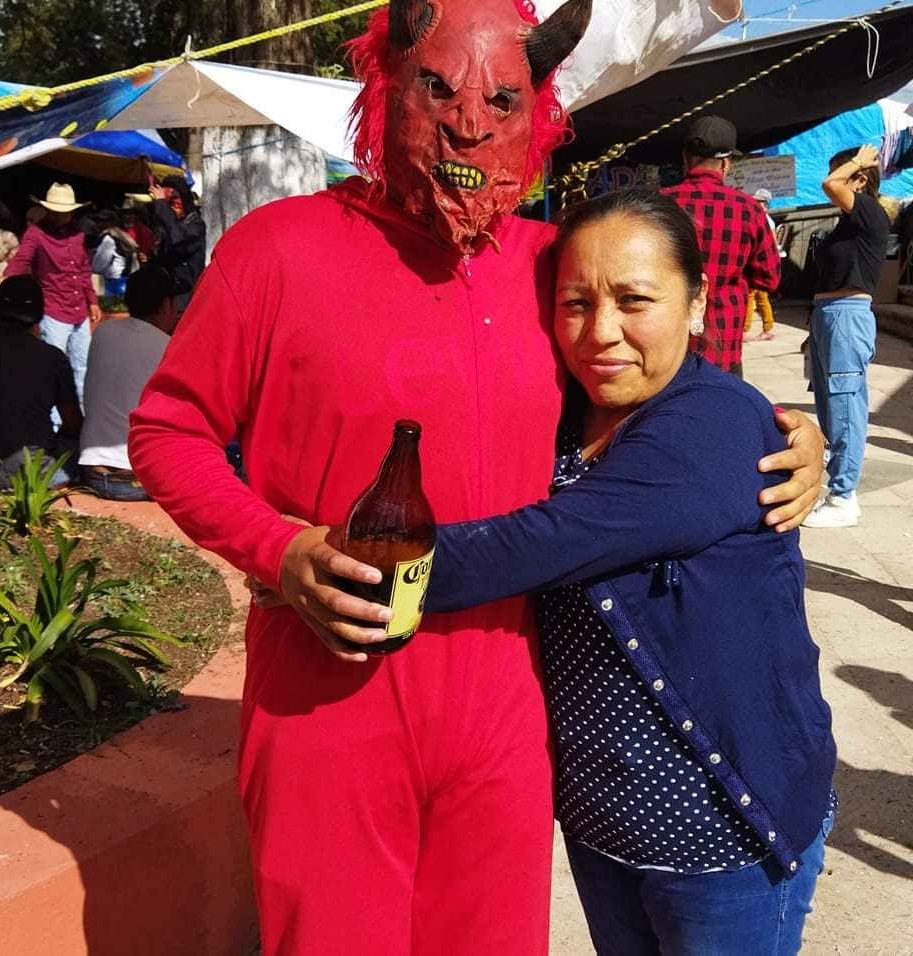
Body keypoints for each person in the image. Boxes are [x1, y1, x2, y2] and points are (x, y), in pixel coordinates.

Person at [128, 2, 823, 952]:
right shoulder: (274, 248)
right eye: (440, 89)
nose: (468, 124)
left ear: (539, 112)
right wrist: (277, 548)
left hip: (507, 707)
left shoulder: (547, 267)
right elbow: (170, 428)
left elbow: (652, 374)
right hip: (328, 692)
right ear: (389, 87)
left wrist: (779, 431)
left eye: (502, 99)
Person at [408, 190, 836, 954]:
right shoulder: (559, 413)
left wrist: (342, 564)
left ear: (697, 304)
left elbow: (532, 544)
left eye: (635, 300)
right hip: (603, 825)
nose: (601, 331)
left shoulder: (718, 423)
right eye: (576, 304)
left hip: (724, 839)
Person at [802, 144, 890, 529]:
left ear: (860, 179)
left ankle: (843, 496)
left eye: (841, 172)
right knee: (829, 406)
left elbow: (830, 184)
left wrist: (856, 163)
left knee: (845, 407)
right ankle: (837, 488)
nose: (831, 179)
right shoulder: (847, 224)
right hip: (828, 317)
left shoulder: (870, 211)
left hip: (847, 317)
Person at [663, 115, 781, 376]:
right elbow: (769, 278)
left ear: (685, 158)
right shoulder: (749, 209)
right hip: (723, 350)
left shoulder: (659, 204)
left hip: (668, 348)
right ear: (726, 163)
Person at [0, 275, 80, 487]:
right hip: (36, 476)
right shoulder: (51, 357)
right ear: (38, 315)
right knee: (79, 443)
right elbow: (73, 424)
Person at [79, 265, 182, 500]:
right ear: (166, 306)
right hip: (142, 479)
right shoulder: (169, 348)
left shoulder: (103, 332)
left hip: (94, 475)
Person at [4, 183, 100, 407]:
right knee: (53, 366)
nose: (61, 215)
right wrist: (7, 278)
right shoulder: (36, 233)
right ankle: (55, 419)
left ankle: (82, 411)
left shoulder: (77, 234)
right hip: (54, 308)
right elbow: (23, 259)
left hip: (78, 308)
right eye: (57, 211)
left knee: (83, 365)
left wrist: (92, 301)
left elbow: (83, 269)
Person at [149, 175, 205, 313]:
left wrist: (162, 204)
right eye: (169, 200)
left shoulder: (195, 223)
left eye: (176, 197)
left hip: (187, 297)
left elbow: (178, 239)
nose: (174, 203)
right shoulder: (166, 223)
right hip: (167, 294)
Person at [743, 187, 782, 342]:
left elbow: (771, 243)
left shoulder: (765, 220)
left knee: (751, 296)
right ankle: (768, 327)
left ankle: (745, 329)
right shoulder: (763, 219)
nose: (755, 204)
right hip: (760, 264)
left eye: (759, 202)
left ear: (765, 205)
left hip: (759, 264)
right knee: (761, 297)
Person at [91, 209, 139, 296]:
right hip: (127, 282)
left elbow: (97, 267)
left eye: (100, 221)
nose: (96, 224)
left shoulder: (108, 239)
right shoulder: (122, 236)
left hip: (113, 285)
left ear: (109, 223)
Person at [119, 196, 156, 265]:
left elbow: (146, 253)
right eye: (125, 213)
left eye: (131, 213)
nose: (127, 216)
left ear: (136, 215)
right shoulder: (119, 229)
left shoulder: (143, 231)